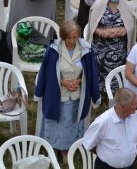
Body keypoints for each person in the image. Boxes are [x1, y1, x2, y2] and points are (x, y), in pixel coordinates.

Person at [35, 20, 100, 163]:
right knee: (54, 122)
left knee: (71, 122)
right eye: (69, 38)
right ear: (63, 37)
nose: (72, 41)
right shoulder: (53, 50)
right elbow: (46, 72)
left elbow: (91, 72)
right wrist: (63, 82)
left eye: (75, 37)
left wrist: (80, 80)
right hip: (57, 95)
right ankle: (53, 149)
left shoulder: (86, 50)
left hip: (76, 94)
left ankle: (67, 150)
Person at [87, 0, 136, 93]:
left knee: (118, 61)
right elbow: (92, 26)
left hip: (120, 48)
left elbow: (131, 26)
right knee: (100, 60)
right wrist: (102, 32)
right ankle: (99, 92)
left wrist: (125, 30)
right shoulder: (98, 4)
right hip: (100, 46)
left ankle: (116, 91)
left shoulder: (128, 6)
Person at [83, 88, 137, 169]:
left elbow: (135, 137)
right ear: (123, 106)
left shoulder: (135, 115)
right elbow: (89, 143)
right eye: (134, 104)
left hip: (130, 166)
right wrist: (106, 155)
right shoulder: (102, 122)